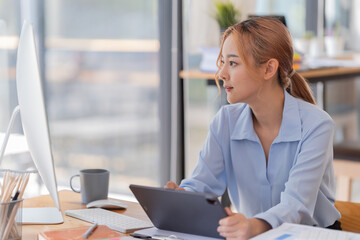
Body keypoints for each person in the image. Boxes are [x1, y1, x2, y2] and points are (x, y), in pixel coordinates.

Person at [165, 17, 341, 239]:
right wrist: (182, 197)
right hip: (254, 234)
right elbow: (202, 185)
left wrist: (254, 226)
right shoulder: (225, 121)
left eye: (233, 63)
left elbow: (296, 206)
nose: (221, 74)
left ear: (269, 69)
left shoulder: (317, 125)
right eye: (223, 63)